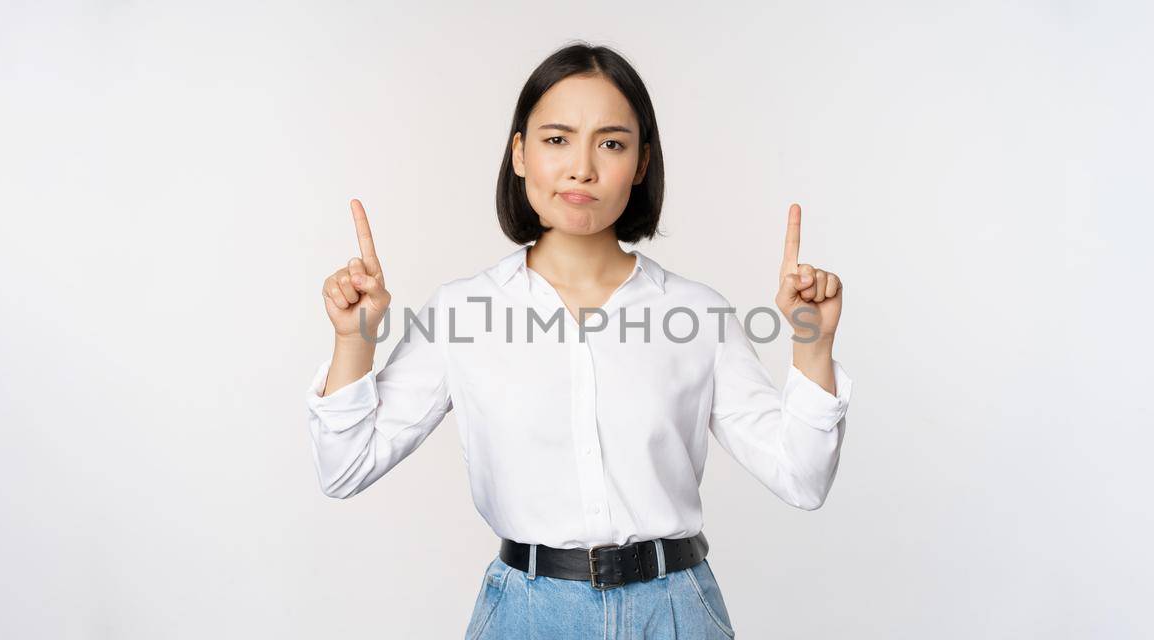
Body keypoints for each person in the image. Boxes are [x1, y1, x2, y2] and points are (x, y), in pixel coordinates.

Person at [308, 42, 852, 640]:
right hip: (527, 615)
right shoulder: (462, 312)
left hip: (675, 613)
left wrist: (813, 344)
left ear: (641, 163)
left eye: (611, 143)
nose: (582, 168)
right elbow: (345, 469)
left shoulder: (696, 314)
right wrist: (354, 340)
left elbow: (802, 479)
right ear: (519, 153)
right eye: (557, 139)